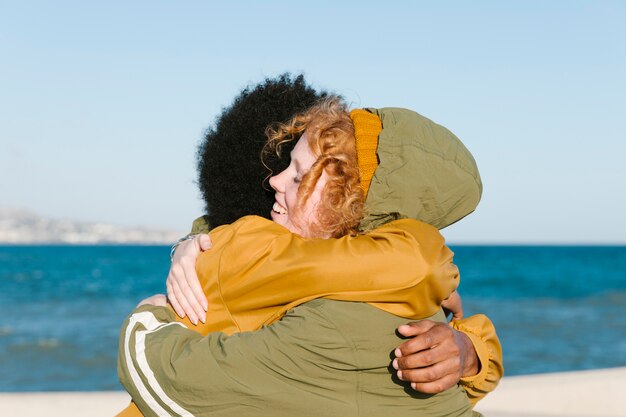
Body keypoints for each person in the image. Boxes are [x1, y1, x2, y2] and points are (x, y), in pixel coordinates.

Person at [117, 86, 502, 416]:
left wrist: (147, 318)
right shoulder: (403, 283)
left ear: (352, 200)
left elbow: (177, 385)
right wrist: (472, 350)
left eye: (301, 175)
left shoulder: (336, 320)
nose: (274, 180)